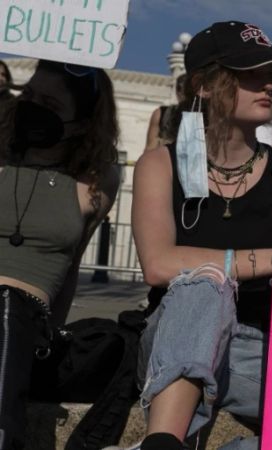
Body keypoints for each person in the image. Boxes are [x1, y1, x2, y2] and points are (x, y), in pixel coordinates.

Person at [127, 21, 272, 450]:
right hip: (176, 339)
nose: (267, 83)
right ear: (205, 86)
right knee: (205, 285)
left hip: (263, 350)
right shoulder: (162, 163)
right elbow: (158, 264)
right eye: (249, 73)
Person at [0, 60, 119, 450]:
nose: (33, 106)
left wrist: (52, 332)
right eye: (29, 94)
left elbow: (71, 265)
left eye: (50, 102)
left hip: (22, 319)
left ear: (83, 122)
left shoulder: (95, 180)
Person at [144, 74, 187, 151]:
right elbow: (150, 148)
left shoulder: (204, 116)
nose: (185, 95)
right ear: (178, 92)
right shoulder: (161, 114)